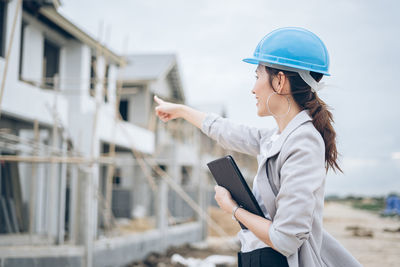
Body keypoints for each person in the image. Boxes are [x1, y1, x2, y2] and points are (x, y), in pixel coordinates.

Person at [154, 27, 361, 267]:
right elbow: (227, 131)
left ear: (280, 80)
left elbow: (285, 239)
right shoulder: (278, 137)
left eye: (257, 76)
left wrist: (234, 209)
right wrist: (181, 110)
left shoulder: (303, 143)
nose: (253, 88)